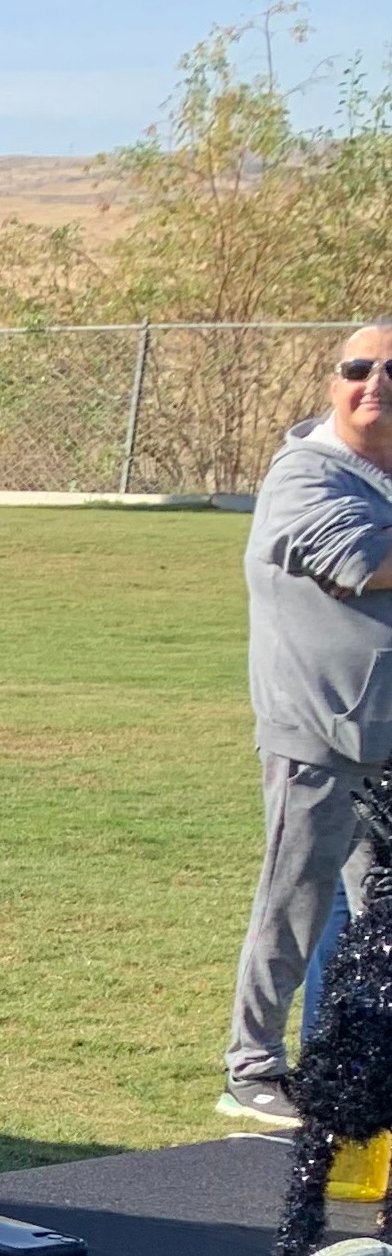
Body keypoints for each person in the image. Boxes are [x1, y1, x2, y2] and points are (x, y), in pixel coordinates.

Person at [219, 318, 392, 1131]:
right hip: (319, 735)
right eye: (359, 368)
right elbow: (364, 562)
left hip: (383, 739)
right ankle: (251, 1068)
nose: (374, 384)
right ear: (333, 382)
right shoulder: (306, 474)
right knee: (294, 906)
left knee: (376, 920)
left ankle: (344, 1070)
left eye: (391, 373)